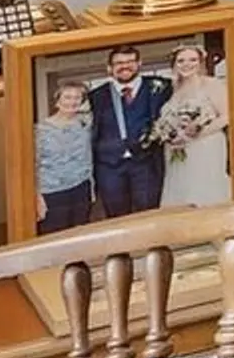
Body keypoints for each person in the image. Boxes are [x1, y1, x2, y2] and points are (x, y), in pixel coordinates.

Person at [86, 42, 172, 221]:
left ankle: (150, 248)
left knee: (148, 213)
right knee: (116, 217)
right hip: (109, 166)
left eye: (130, 61)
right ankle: (122, 250)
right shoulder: (96, 96)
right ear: (109, 68)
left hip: (146, 163)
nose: (125, 66)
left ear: (139, 63)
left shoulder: (161, 87)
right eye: (118, 63)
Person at [157, 39, 233, 209]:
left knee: (204, 190)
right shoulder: (174, 88)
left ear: (200, 63)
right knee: (181, 192)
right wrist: (170, 134)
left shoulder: (212, 84)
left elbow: (227, 116)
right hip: (178, 150)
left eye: (192, 60)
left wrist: (199, 131)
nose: (187, 65)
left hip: (206, 146)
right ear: (174, 64)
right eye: (181, 61)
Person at [35, 82, 95, 235]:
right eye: (67, 97)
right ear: (57, 101)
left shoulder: (85, 123)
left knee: (80, 235)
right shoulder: (40, 130)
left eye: (77, 98)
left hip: (81, 188)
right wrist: (36, 197)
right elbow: (31, 166)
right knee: (56, 237)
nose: (72, 102)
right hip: (52, 193)